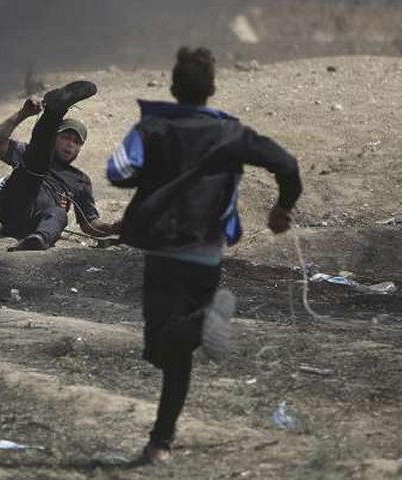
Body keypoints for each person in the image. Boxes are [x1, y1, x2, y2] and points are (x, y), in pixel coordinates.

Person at [106, 47, 302, 463]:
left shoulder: (152, 127)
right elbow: (286, 162)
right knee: (178, 353)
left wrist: (155, 177)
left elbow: (117, 171)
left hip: (165, 253)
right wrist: (283, 207)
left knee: (161, 347)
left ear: (173, 87)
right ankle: (160, 442)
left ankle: (205, 321)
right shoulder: (233, 134)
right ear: (211, 89)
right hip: (209, 255)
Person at [0, 81, 120, 251]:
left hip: (32, 224)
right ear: (54, 138)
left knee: (59, 213)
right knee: (37, 161)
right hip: (12, 204)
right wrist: (22, 114)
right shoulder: (27, 152)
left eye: (76, 141)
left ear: (80, 148)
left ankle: (38, 240)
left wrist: (114, 228)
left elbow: (90, 225)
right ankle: (55, 111)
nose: (70, 144)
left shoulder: (80, 180)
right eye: (66, 138)